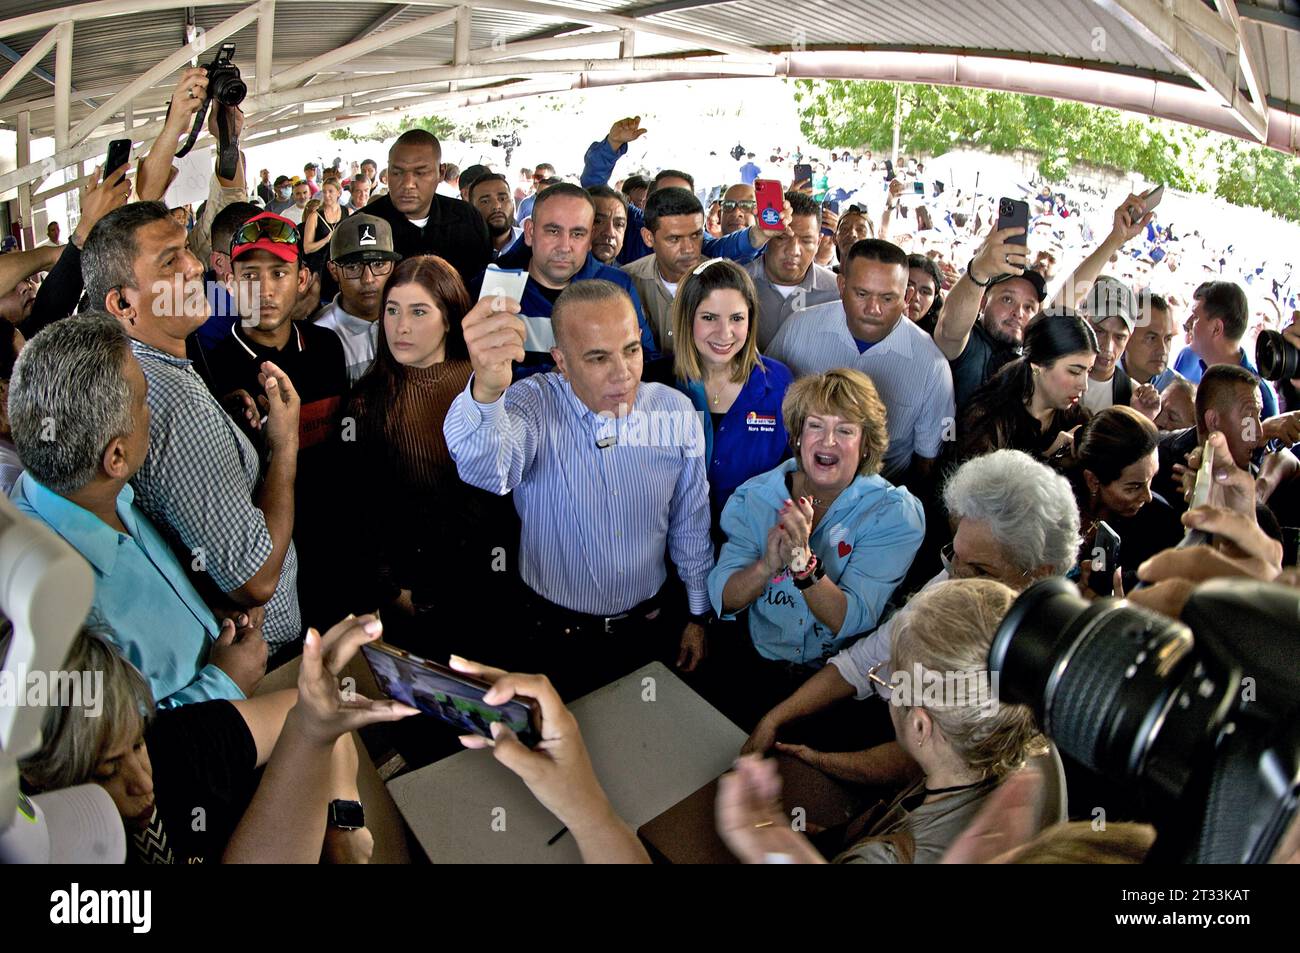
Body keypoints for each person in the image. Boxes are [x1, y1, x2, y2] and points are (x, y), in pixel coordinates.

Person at [444, 280, 713, 699]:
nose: (623, 373)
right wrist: (487, 391)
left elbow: (690, 521)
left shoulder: (673, 409)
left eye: (631, 350)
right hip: (553, 635)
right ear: (561, 362)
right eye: (597, 357)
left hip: (650, 628)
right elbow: (490, 470)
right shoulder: (531, 403)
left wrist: (698, 614)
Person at [742, 449, 1080, 759]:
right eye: (955, 557)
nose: (956, 579)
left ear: (1038, 574)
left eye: (979, 570)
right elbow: (863, 660)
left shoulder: (1027, 667)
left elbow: (928, 763)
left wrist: (824, 763)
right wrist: (774, 719)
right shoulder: (958, 577)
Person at [8, 313, 264, 706]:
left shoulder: (101, 495)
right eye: (145, 401)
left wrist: (202, 614)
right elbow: (120, 754)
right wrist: (225, 682)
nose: (152, 411)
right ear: (116, 456)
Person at [82, 202, 303, 652]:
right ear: (123, 303)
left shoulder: (146, 371)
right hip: (261, 658)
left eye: (186, 249)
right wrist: (284, 447)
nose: (195, 265)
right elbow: (256, 579)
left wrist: (223, 426)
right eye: (170, 260)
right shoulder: (168, 397)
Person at [19, 618, 417, 864]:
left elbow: (308, 712)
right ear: (39, 780)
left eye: (137, 744)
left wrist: (344, 823)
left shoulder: (180, 743)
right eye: (108, 772)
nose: (143, 781)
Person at [718, 579, 1048, 864]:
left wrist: (761, 832)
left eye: (890, 681)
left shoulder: (888, 858)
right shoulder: (1029, 751)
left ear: (920, 726)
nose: (883, 685)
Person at [706, 369, 925, 726]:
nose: (828, 441)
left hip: (837, 686)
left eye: (845, 430)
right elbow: (724, 597)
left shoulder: (895, 514)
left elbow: (851, 619)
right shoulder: (754, 496)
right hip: (755, 668)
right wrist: (765, 567)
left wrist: (802, 563)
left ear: (866, 443)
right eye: (815, 426)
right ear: (796, 435)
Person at [343, 256, 502, 647]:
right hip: (417, 595)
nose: (402, 326)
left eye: (418, 311)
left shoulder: (486, 381)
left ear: (449, 318)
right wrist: (392, 591)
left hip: (491, 584)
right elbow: (361, 511)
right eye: (392, 310)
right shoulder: (367, 402)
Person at [209, 213, 349, 631]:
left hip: (332, 550)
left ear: (302, 279)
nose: (265, 290)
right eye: (249, 275)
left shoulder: (326, 347)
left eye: (279, 273)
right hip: (265, 565)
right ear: (229, 282)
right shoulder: (210, 369)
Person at [768, 239, 955, 484]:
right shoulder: (798, 329)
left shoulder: (932, 367)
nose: (873, 309)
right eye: (862, 293)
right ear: (842, 285)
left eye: (887, 298)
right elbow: (763, 398)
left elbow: (927, 460)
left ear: (907, 296)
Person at [469, 183, 660, 376]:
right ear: (529, 232)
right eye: (553, 231)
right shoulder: (496, 287)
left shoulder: (617, 285)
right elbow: (480, 370)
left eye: (577, 234)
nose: (564, 246)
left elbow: (647, 360)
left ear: (589, 238)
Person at [670, 259, 793, 533]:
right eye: (709, 317)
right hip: (675, 541)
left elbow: (793, 471)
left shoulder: (779, 382)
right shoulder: (662, 383)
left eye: (737, 318)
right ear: (687, 318)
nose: (725, 333)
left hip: (753, 544)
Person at [581, 118, 773, 267]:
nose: (676, 208)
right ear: (647, 204)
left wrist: (759, 234)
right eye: (667, 199)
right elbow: (594, 189)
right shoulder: (629, 222)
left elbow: (722, 249)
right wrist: (611, 145)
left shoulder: (696, 239)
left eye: (684, 202)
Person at [623, 187, 788, 353]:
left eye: (696, 235)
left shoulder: (727, 283)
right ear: (648, 237)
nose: (688, 249)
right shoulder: (626, 282)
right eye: (674, 239)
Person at [952, 311, 1097, 467]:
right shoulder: (989, 421)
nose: (1084, 386)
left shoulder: (1079, 421)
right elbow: (978, 488)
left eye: (1088, 371)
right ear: (1037, 366)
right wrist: (1048, 459)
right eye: (1074, 371)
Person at [1065, 406, 1183, 593]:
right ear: (1093, 480)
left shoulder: (1162, 524)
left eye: (1151, 479)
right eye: (1134, 486)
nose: (1148, 496)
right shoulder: (1054, 508)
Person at [933, 225, 1048, 408]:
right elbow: (950, 330)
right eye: (1008, 299)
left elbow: (1065, 305)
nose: (1018, 312)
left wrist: (1112, 240)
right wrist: (979, 270)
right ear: (983, 303)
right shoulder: (970, 343)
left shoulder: (1030, 360)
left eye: (1028, 307)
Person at [361, 130, 492, 280]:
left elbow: (485, 282)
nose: (408, 184)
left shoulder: (468, 219)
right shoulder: (363, 226)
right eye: (397, 173)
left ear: (441, 173)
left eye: (420, 173)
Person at [743, 190, 839, 349]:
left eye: (806, 240)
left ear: (818, 242)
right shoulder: (738, 284)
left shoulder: (837, 294)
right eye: (782, 237)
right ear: (767, 236)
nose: (794, 250)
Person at [314, 214, 402, 383]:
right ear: (333, 270)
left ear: (393, 267)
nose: (368, 279)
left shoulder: (411, 321)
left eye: (379, 264)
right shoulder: (319, 336)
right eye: (353, 267)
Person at [1172, 280, 1278, 418]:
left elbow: (1253, 438)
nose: (1188, 323)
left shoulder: (1260, 396)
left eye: (1196, 317)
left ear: (1216, 328)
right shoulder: (1186, 357)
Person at [1078, 275, 1154, 416]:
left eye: (1119, 337)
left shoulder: (1133, 396)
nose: (1107, 347)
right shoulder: (1052, 371)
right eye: (1099, 332)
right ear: (1082, 321)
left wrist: (1140, 419)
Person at [1121, 291, 1183, 392]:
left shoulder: (1177, 391)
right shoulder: (1098, 377)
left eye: (1167, 339)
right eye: (1152, 338)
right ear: (1126, 338)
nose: (1163, 350)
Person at [468, 172, 522, 257]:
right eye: (485, 201)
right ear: (472, 208)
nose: (496, 206)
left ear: (512, 202)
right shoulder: (460, 248)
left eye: (502, 198)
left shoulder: (532, 244)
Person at [301, 179, 348, 276]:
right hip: (320, 266)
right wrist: (326, 240)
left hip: (342, 263)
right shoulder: (315, 216)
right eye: (324, 192)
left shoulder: (348, 212)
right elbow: (307, 248)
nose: (327, 195)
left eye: (330, 191)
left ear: (339, 193)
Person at [587, 184, 629, 265]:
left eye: (619, 224)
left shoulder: (627, 276)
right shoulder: (558, 274)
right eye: (598, 221)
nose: (610, 233)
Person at [905, 253, 944, 335]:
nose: (915, 297)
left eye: (925, 292)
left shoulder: (937, 341)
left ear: (935, 299)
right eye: (908, 285)